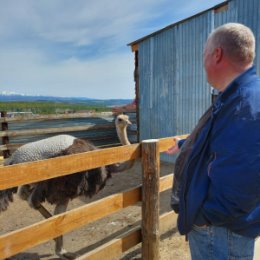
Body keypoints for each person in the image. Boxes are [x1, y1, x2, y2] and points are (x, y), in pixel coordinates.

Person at [166, 23, 260, 260]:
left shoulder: (242, 106)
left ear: (217, 54)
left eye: (204, 54)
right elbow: (223, 137)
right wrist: (185, 144)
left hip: (219, 233)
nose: (203, 62)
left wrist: (203, 216)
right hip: (223, 229)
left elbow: (242, 180)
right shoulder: (240, 97)